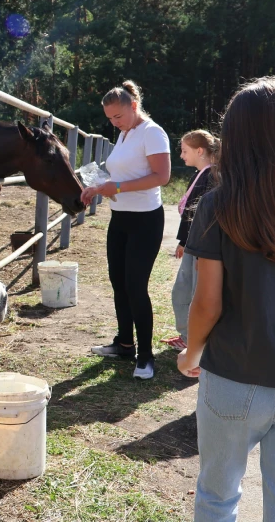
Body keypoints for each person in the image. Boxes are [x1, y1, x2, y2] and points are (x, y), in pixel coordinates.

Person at [178, 76, 275, 521]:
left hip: (231, 378)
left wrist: (191, 353)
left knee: (217, 497)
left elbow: (206, 302)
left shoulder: (217, 204)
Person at [81, 80, 171, 380]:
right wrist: (96, 187)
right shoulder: (124, 134)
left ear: (133, 106)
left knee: (136, 287)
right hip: (119, 219)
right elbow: (120, 173)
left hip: (145, 220)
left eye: (118, 116)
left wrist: (116, 186)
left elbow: (162, 176)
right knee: (118, 283)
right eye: (109, 119)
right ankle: (124, 344)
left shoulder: (152, 132)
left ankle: (146, 356)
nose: (114, 123)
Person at [162, 130, 219, 351]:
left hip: (198, 247)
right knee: (186, 290)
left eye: (185, 151)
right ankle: (190, 335)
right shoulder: (203, 173)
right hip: (195, 245)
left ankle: (191, 338)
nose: (182, 156)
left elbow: (196, 215)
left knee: (186, 292)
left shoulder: (210, 176)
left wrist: (185, 241)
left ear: (200, 150)